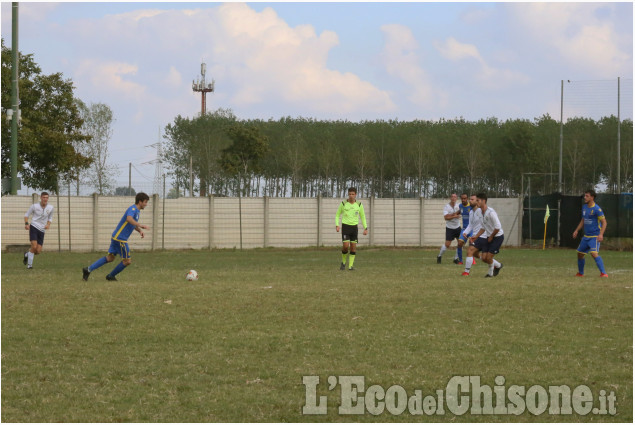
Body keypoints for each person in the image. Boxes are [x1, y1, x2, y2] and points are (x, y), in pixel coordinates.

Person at [82, 193, 150, 281]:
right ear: (140, 201)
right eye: (145, 202)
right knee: (127, 261)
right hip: (120, 239)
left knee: (110, 258)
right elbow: (129, 219)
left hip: (116, 237)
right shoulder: (132, 209)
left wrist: (139, 231)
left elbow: (131, 223)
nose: (146, 204)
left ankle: (88, 269)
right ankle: (110, 276)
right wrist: (141, 225)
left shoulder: (137, 211)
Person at [572, 190, 608, 277]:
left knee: (594, 253)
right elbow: (583, 220)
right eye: (585, 196)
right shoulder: (584, 207)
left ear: (592, 197)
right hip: (586, 236)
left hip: (594, 236)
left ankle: (603, 273)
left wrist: (601, 234)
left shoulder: (597, 209)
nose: (585, 197)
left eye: (587, 196)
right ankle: (580, 273)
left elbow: (604, 222)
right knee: (580, 254)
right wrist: (577, 230)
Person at [469, 193, 504, 277]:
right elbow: (483, 227)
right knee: (484, 258)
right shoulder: (480, 213)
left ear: (483, 201)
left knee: (488, 257)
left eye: (478, 200)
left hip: (497, 237)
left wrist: (491, 236)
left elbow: (498, 227)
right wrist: (476, 236)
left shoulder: (491, 212)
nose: (476, 202)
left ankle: (490, 273)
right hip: (489, 237)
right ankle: (498, 266)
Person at [335, 187, 368, 271]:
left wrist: (365, 228)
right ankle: (343, 262)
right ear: (348, 194)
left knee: (353, 247)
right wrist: (337, 225)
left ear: (355, 195)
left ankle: (350, 266)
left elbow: (363, 216)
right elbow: (337, 214)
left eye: (353, 194)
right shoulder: (343, 203)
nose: (351, 196)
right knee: (345, 246)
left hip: (354, 228)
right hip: (346, 226)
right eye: (350, 194)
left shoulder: (359, 205)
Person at [23, 192, 54, 269]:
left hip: (42, 229)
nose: (45, 199)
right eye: (44, 197)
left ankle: (27, 254)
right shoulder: (34, 206)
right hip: (34, 226)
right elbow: (26, 215)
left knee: (38, 251)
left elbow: (50, 218)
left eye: (47, 197)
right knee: (34, 246)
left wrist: (48, 224)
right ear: (40, 198)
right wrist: (27, 223)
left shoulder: (51, 207)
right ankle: (29, 265)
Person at [459, 194, 481, 275]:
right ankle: (496, 265)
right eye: (470, 199)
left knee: (470, 251)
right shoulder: (471, 212)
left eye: (472, 199)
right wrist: (465, 232)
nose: (470, 201)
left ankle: (466, 272)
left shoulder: (481, 211)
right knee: (478, 255)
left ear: (477, 201)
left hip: (482, 236)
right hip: (475, 236)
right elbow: (470, 225)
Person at [437, 193, 461, 264]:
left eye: (455, 197)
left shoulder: (459, 206)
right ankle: (439, 256)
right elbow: (446, 218)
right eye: (452, 197)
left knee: (460, 243)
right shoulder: (446, 207)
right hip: (450, 228)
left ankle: (456, 259)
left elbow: (460, 212)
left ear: (456, 198)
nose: (453, 198)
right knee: (447, 244)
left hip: (457, 227)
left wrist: (453, 215)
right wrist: (454, 216)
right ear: (450, 198)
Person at [455, 193, 471, 264]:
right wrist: (455, 215)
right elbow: (460, 211)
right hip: (464, 229)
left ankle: (472, 259)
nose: (463, 200)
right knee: (459, 244)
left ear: (467, 198)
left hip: (471, 229)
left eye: (465, 198)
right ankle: (460, 261)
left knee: (472, 244)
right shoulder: (460, 206)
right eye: (462, 198)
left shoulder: (471, 206)